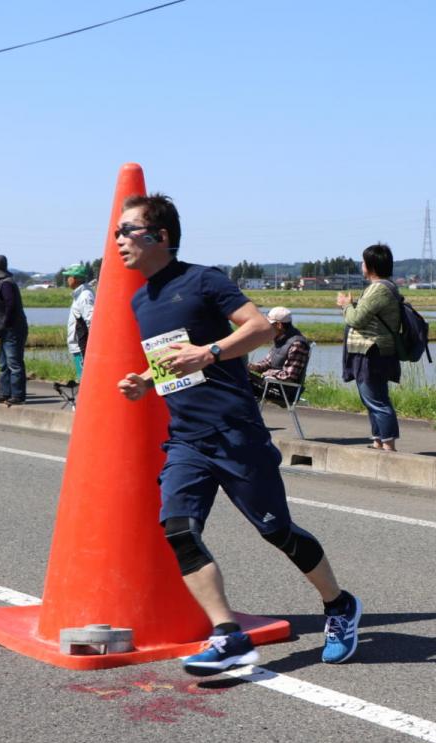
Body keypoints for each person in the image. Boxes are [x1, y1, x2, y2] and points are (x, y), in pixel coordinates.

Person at [114, 193, 362, 675]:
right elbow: (171, 358)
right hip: (186, 438)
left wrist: (208, 352)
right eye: (117, 232)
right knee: (179, 530)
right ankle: (227, 635)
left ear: (159, 236)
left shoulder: (203, 280)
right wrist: (146, 379)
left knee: (276, 531)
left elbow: (261, 329)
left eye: (129, 230)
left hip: (235, 432)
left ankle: (339, 604)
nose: (119, 239)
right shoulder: (140, 299)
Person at [336, 244, 401, 451]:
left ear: (371, 265)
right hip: (370, 351)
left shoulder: (379, 289)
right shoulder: (381, 287)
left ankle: (389, 444)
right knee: (371, 398)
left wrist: (346, 305)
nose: (361, 265)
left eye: (363, 262)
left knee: (376, 400)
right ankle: (378, 440)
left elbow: (356, 319)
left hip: (371, 351)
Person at [0, 255, 29, 405]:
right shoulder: (3, 283)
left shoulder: (7, 285)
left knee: (14, 364)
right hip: (6, 330)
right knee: (3, 364)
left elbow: (10, 305)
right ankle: (5, 393)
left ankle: (18, 396)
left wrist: (5, 324)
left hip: (12, 330)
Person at [247, 306, 310, 407]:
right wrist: (251, 366)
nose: (267, 327)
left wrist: (268, 373)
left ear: (279, 325)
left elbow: (289, 375)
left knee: (241, 381)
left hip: (285, 392)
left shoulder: (297, 344)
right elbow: (267, 363)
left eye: (270, 324)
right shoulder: (280, 339)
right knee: (240, 375)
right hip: (272, 384)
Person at [61, 263, 95, 379]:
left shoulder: (85, 296)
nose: (67, 280)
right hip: (78, 345)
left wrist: (91, 347)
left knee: (85, 380)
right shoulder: (80, 294)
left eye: (68, 277)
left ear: (75, 278)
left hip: (82, 346)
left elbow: (91, 320)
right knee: (83, 379)